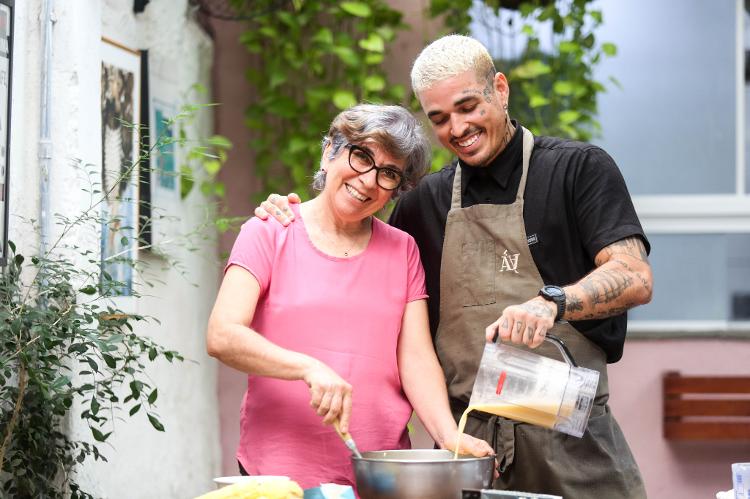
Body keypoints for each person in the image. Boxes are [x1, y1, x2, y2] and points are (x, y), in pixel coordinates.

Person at [256, 35, 654, 498]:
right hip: (470, 452)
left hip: (575, 445)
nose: (457, 128)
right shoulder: (423, 204)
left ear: (500, 90)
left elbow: (633, 276)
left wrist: (552, 302)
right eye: (440, 118)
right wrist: (291, 213)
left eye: (468, 107)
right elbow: (352, 260)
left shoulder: (576, 171)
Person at [206, 103, 493, 490]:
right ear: (329, 152)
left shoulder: (402, 249)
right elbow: (222, 335)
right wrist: (309, 368)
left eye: (388, 173)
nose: (369, 180)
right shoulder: (270, 231)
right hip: (279, 476)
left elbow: (416, 358)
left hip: (378, 475)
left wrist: (447, 435)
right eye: (362, 156)